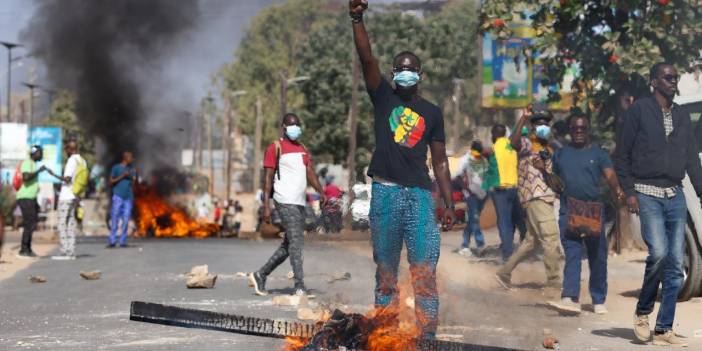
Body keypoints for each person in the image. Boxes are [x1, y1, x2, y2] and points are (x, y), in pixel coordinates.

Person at [349, 0, 456, 338]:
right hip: (385, 194)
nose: (405, 72)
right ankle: (385, 334)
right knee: (386, 274)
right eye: (400, 68)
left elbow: (439, 161)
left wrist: (449, 203)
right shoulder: (383, 97)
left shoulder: (433, 112)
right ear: (394, 74)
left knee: (424, 274)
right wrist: (357, 18)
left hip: (421, 199)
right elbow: (367, 58)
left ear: (420, 74)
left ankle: (427, 339)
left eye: (411, 67)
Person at [615, 63, 702, 347]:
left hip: (675, 195)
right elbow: (623, 153)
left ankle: (664, 329)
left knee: (676, 265)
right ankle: (642, 313)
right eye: (668, 77)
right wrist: (629, 191)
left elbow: (691, 159)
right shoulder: (639, 111)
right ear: (654, 81)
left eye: (675, 77)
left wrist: (701, 192)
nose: (673, 81)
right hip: (647, 194)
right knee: (661, 253)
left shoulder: (681, 115)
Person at [546, 113, 625, 315]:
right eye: (574, 129)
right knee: (572, 254)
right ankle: (569, 297)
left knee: (597, 255)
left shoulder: (599, 154)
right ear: (570, 131)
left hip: (592, 211)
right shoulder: (561, 154)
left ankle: (598, 299)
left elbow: (610, 175)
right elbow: (555, 185)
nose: (578, 132)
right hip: (568, 209)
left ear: (588, 130)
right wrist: (544, 173)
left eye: (582, 128)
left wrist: (617, 190)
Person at [249, 113, 326, 297]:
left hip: (299, 201)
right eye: (292, 124)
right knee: (297, 242)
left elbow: (309, 172)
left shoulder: (302, 149)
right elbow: (267, 178)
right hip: (284, 200)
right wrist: (266, 205)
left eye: (298, 124)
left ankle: (260, 274)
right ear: (284, 126)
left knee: (289, 243)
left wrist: (321, 191)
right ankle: (299, 286)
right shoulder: (275, 148)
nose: (295, 127)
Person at [495, 103, 561, 290]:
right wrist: (523, 118)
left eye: (546, 123)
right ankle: (554, 282)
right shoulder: (527, 143)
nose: (543, 126)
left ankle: (504, 273)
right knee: (551, 238)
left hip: (545, 197)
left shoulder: (549, 147)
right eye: (539, 123)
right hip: (535, 196)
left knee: (531, 242)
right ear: (532, 126)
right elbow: (513, 142)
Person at [483, 124, 520, 261]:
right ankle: (509, 250)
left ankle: (507, 254)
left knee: (503, 222)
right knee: (510, 221)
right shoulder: (511, 145)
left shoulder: (492, 149)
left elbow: (484, 154)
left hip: (500, 190)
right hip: (513, 188)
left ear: (493, 134)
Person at [53, 140, 87, 260]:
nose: (65, 152)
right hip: (74, 196)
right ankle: (71, 252)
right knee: (71, 224)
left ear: (69, 149)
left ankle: (64, 252)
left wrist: (53, 174)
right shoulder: (82, 160)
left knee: (62, 224)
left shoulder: (72, 160)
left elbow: (67, 179)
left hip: (66, 196)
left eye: (66, 149)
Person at [455, 140, 488, 257]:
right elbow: (457, 177)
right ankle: (480, 244)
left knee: (473, 221)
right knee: (474, 219)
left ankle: (464, 245)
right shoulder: (465, 159)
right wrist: (467, 190)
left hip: (482, 194)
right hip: (471, 195)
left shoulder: (483, 159)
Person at [16, 145, 50, 258]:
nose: (41, 155)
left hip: (31, 198)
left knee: (33, 222)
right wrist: (39, 171)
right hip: (25, 197)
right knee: (29, 222)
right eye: (40, 153)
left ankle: (28, 249)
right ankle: (23, 249)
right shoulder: (27, 162)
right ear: (34, 153)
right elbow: (25, 177)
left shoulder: (33, 164)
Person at [108, 151, 136, 248]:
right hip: (118, 196)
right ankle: (112, 241)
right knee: (115, 218)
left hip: (128, 197)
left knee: (126, 219)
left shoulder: (132, 169)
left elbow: (133, 183)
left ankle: (122, 241)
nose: (132, 159)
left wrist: (132, 177)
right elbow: (111, 182)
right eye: (131, 158)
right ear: (125, 158)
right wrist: (122, 176)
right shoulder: (116, 168)